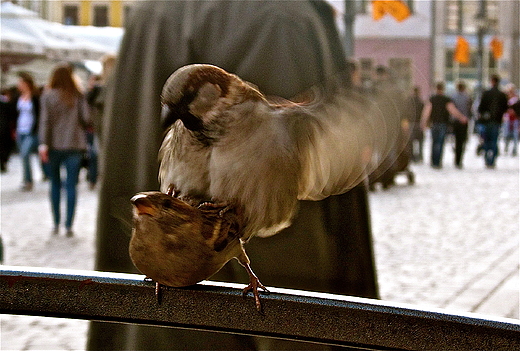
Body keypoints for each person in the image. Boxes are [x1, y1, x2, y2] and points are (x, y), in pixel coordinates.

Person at [88, 1, 379, 350]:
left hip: (157, 313)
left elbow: (124, 142)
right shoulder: (279, 17)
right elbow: (289, 248)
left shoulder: (151, 14)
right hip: (242, 310)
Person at [38, 63, 90, 237]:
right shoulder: (78, 95)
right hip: (74, 145)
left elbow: (45, 121)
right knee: (71, 185)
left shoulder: (48, 95)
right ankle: (69, 224)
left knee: (54, 184)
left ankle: (55, 223)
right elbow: (86, 118)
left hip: (53, 146)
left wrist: (43, 144)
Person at [421, 82, 468, 168]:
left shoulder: (432, 99)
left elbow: (427, 111)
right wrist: (461, 117)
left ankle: (433, 161)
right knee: (440, 143)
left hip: (434, 123)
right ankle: (438, 162)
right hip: (443, 123)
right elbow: (452, 110)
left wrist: (423, 122)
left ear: (436, 89)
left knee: (434, 142)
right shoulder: (446, 99)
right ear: (443, 89)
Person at [12, 72, 41, 191]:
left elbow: (38, 114)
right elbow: (14, 113)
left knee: (25, 153)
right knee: (23, 156)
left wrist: (36, 129)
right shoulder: (17, 97)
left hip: (30, 130)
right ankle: (26, 179)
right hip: (20, 129)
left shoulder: (34, 97)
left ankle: (28, 180)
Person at [478, 75, 509, 168]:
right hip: (497, 121)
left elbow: (481, 108)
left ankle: (487, 159)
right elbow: (505, 108)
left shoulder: (486, 93)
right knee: (494, 141)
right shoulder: (502, 94)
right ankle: (492, 160)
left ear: (492, 81)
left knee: (487, 141)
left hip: (487, 121)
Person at [450, 81, 473, 168]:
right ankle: (459, 160)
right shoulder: (467, 97)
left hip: (455, 121)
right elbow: (470, 109)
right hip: (464, 121)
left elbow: (451, 109)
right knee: (462, 141)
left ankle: (456, 159)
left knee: (456, 140)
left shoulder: (453, 97)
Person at [407, 86, 424, 162]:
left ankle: (411, 156)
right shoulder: (421, 102)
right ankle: (420, 156)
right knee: (420, 141)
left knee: (410, 141)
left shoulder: (408, 102)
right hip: (418, 123)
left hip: (411, 123)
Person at [503, 83, 518, 156]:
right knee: (506, 134)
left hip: (515, 119)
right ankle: (506, 147)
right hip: (507, 119)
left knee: (515, 135)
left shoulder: (516, 99)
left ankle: (514, 149)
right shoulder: (505, 99)